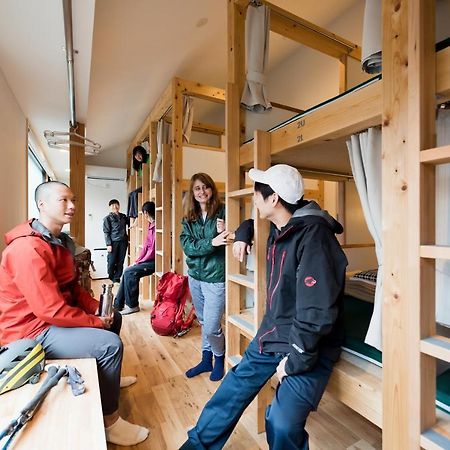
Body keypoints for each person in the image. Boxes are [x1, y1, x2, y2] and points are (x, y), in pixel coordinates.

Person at [180, 164, 348, 450]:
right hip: (274, 332)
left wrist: (293, 362)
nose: (254, 200)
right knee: (231, 390)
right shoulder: (282, 225)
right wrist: (244, 233)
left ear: (274, 200)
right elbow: (250, 222)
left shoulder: (315, 239)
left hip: (308, 345)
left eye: (257, 195)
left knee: (280, 422)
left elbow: (316, 316)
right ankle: (196, 446)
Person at [0, 181, 149, 446]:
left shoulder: (59, 243)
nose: (72, 206)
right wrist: (94, 322)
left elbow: (70, 290)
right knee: (109, 344)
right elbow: (50, 309)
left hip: (47, 320)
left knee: (115, 317)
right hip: (30, 331)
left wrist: (97, 310)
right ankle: (110, 422)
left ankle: (108, 379)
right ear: (42, 205)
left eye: (74, 200)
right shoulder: (27, 249)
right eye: (63, 200)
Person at [180, 173, 229, 382]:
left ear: (212, 189)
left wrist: (226, 232)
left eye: (206, 187)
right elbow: (187, 246)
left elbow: (231, 236)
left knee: (211, 325)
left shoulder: (224, 211)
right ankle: (205, 359)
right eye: (197, 188)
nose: (202, 192)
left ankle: (219, 358)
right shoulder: (188, 217)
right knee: (202, 321)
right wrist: (212, 243)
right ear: (193, 193)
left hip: (216, 276)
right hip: (195, 276)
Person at [114, 201, 156, 315]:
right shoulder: (150, 226)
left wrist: (140, 262)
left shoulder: (157, 227)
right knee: (128, 270)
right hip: (148, 260)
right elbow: (146, 247)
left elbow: (152, 251)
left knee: (129, 272)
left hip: (155, 261)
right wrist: (137, 261)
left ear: (146, 213)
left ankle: (132, 306)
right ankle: (117, 305)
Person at [103, 199, 128, 283]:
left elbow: (131, 223)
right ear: (110, 207)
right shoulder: (107, 218)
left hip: (123, 241)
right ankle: (111, 276)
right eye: (113, 205)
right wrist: (108, 244)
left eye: (116, 204)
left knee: (120, 261)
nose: (115, 207)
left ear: (119, 206)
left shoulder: (123, 216)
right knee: (112, 261)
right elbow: (106, 232)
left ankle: (117, 278)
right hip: (113, 242)